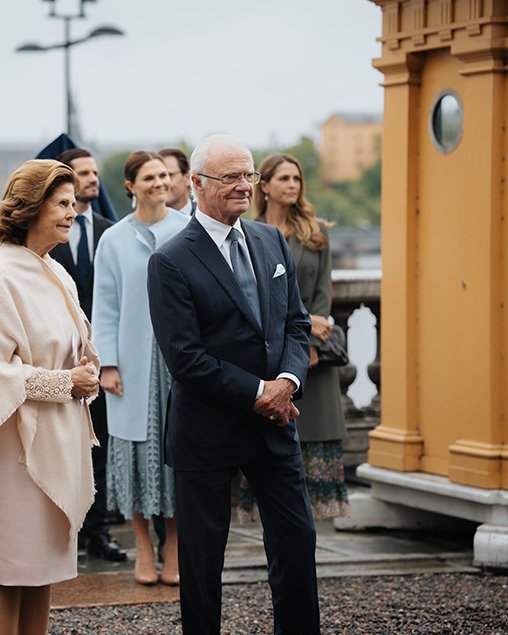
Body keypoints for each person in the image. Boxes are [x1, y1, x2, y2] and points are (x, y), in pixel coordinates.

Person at [147, 134, 320, 635]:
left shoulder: (270, 240)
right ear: (197, 185)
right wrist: (259, 393)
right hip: (207, 430)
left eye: (249, 175)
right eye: (231, 178)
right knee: (202, 562)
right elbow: (186, 359)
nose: (245, 186)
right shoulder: (171, 260)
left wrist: (286, 382)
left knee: (297, 541)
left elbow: (296, 324)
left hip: (276, 424)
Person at [0, 159, 101, 635]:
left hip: (59, 433)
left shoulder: (57, 272)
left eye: (74, 203)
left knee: (43, 569)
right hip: (16, 442)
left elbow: (73, 344)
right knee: (11, 568)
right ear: (32, 208)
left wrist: (86, 371)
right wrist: (64, 383)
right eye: (63, 204)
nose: (74, 212)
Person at [92, 151, 188, 585]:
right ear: (130, 185)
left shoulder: (189, 231)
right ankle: (143, 548)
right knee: (131, 453)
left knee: (178, 452)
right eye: (149, 177)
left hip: (180, 362)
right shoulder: (112, 239)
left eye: (165, 175)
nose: (159, 182)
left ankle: (174, 545)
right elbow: (105, 306)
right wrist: (106, 364)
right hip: (129, 363)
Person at [253, 153, 350, 520]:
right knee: (275, 435)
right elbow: (255, 300)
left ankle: (315, 522)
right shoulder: (249, 231)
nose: (293, 184)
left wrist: (309, 341)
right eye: (284, 179)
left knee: (319, 429)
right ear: (265, 186)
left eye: (297, 179)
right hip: (272, 354)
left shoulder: (316, 232)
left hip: (315, 357)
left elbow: (324, 296)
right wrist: (305, 326)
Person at [50, 148, 125, 563]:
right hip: (58, 362)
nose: (93, 178)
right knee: (63, 448)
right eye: (83, 172)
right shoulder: (45, 235)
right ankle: (64, 532)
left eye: (96, 171)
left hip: (103, 358)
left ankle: (98, 532)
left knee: (100, 449)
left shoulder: (110, 231)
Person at [158, 147, 195, 216]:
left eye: (169, 175)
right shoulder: (143, 223)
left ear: (187, 178)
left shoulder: (206, 219)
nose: (160, 183)